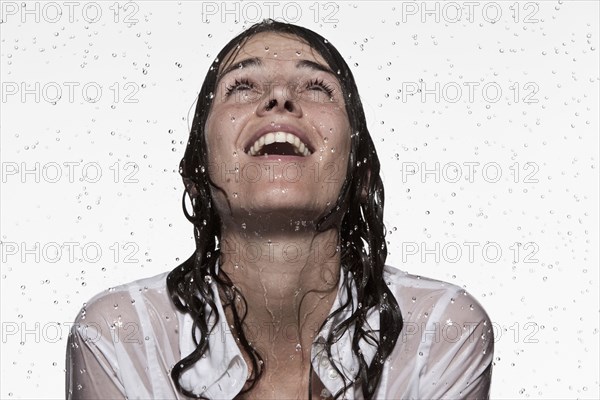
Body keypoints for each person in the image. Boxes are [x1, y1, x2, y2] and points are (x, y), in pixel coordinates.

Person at [65, 19, 494, 399]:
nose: (280, 97)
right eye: (243, 86)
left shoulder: (440, 330)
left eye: (316, 87)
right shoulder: (120, 337)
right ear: (197, 169)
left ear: (358, 167)